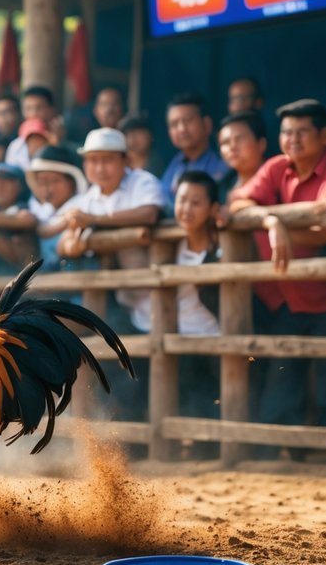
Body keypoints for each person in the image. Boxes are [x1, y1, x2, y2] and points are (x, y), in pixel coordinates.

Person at [228, 99, 326, 457]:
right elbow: (237, 206)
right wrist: (273, 223)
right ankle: (274, 459)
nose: (293, 139)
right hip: (292, 298)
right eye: (287, 131)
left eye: (303, 131)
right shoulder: (276, 166)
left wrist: (272, 224)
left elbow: (325, 226)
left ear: (325, 135)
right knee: (281, 384)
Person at [57, 128, 164, 420]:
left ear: (124, 161)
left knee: (149, 372)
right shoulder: (89, 197)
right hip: (117, 304)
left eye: (108, 160)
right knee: (116, 369)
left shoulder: (143, 182)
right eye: (93, 161)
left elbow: (149, 215)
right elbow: (63, 238)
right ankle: (111, 438)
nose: (100, 168)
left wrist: (94, 224)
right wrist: (73, 244)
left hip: (156, 300)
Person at [171, 171, 222, 420]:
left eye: (196, 202)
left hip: (214, 342)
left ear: (213, 208)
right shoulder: (169, 244)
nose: (186, 209)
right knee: (186, 408)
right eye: (181, 200)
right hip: (179, 344)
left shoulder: (223, 248)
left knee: (215, 408)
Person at [25, 145, 87, 270]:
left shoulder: (83, 204)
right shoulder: (45, 209)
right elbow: (40, 229)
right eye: (42, 182)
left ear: (71, 183)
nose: (48, 188)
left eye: (54, 181)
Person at [161, 92, 229, 201]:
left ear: (207, 124)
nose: (181, 129)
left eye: (188, 120)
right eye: (174, 124)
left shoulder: (224, 164)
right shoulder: (173, 166)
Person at [0, 162, 37, 275]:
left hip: (22, 286)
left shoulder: (22, 209)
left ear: (20, 186)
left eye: (6, 181)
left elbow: (27, 219)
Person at [215, 111, 267, 204]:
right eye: (225, 142)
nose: (232, 147)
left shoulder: (279, 181)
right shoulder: (222, 187)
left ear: (261, 144)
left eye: (239, 139)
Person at [4, 86, 58, 168]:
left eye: (39, 108)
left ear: (51, 110)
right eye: (28, 108)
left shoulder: (60, 143)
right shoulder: (15, 147)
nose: (33, 114)